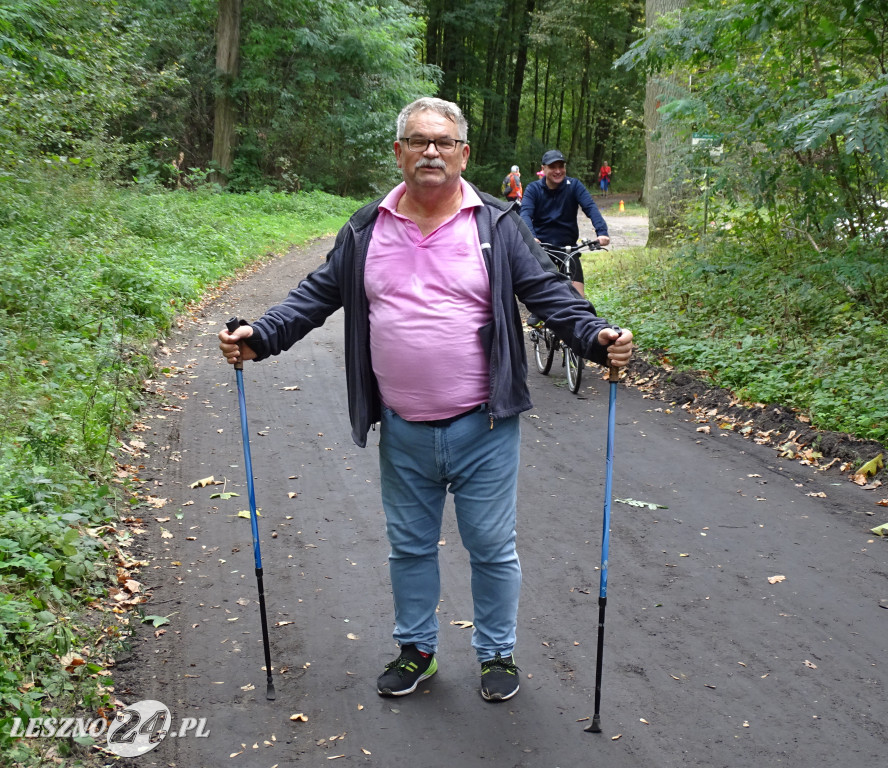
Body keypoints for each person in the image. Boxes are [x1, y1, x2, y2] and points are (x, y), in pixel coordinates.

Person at [218, 97, 634, 704]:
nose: (430, 151)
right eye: (418, 140)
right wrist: (264, 335)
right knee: (409, 546)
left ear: (464, 154)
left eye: (443, 141)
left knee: (491, 548)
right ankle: (417, 651)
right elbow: (315, 295)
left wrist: (595, 338)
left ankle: (496, 654)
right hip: (403, 427)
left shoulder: (496, 223)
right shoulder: (366, 227)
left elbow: (547, 291)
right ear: (399, 153)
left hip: (484, 426)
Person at [520, 149, 610, 324]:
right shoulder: (533, 189)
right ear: (543, 169)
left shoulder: (574, 186)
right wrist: (532, 237)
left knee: (579, 300)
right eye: (553, 167)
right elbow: (525, 214)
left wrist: (602, 232)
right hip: (542, 248)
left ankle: (576, 341)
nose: (558, 171)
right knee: (543, 290)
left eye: (561, 166)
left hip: (568, 248)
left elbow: (590, 207)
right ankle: (540, 310)